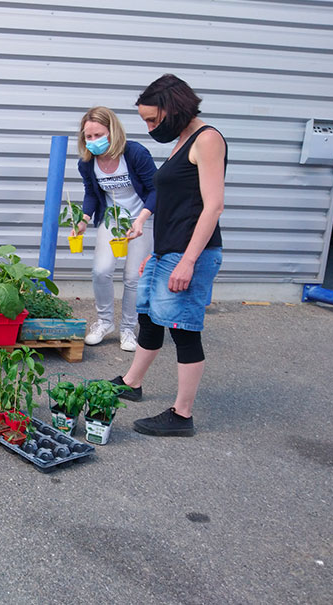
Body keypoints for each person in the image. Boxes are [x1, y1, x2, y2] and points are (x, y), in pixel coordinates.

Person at [111, 74, 226, 437]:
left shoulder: (207, 140)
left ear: (172, 109)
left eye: (152, 119)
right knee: (149, 318)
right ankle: (132, 382)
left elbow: (213, 207)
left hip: (191, 252)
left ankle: (182, 414)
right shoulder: (182, 141)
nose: (148, 127)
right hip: (167, 251)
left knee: (184, 330)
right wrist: (158, 253)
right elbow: (173, 199)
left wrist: (189, 260)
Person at [75, 107, 158, 352]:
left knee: (134, 277)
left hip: (140, 218)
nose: (93, 141)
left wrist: (142, 219)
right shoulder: (87, 163)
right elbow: (91, 194)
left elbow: (156, 190)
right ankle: (104, 322)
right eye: (88, 137)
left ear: (113, 132)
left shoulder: (135, 154)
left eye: (98, 135)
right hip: (111, 220)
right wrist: (83, 219)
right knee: (101, 271)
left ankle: (129, 329)